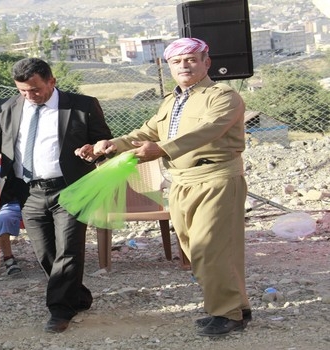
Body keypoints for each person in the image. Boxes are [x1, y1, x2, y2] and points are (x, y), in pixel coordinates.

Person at [76, 37, 251, 337]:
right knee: (194, 248)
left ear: (206, 62)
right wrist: (111, 145)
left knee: (212, 249)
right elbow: (147, 131)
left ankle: (226, 313)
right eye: (177, 61)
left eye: (191, 59)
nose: (184, 65)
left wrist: (162, 149)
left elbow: (207, 131)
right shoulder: (172, 100)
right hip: (181, 181)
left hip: (216, 179)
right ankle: (237, 306)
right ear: (168, 66)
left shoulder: (222, 96)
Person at [0, 57, 113, 333]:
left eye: (35, 90)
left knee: (69, 248)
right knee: (45, 252)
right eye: (22, 91)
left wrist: (93, 149)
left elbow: (102, 140)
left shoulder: (82, 105)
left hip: (72, 188)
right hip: (28, 191)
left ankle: (59, 310)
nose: (29, 96)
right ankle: (77, 296)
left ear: (51, 81)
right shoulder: (7, 106)